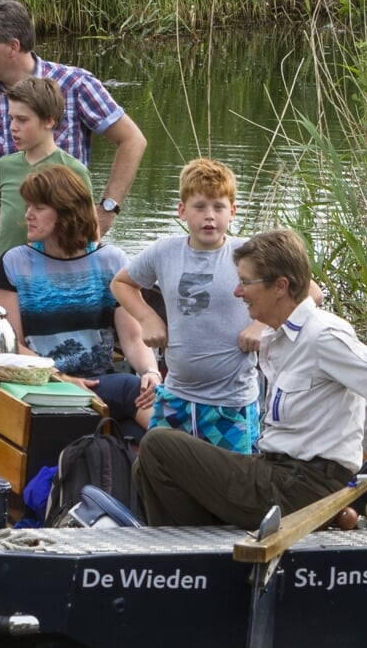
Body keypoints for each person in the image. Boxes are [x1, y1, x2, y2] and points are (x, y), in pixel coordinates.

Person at [131, 229, 367, 530]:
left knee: (159, 445)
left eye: (246, 283)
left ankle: (191, 558)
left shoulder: (323, 335)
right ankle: (196, 548)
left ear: (280, 286)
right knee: (144, 466)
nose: (238, 292)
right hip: (276, 474)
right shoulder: (277, 336)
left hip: (303, 488)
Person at [0, 0, 148, 264]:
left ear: (13, 47)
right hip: (1, 251)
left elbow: (132, 140)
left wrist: (107, 211)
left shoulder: (74, 84)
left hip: (68, 249)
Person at [110, 157, 265, 453]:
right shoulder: (164, 251)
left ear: (232, 212)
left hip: (231, 404)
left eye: (219, 207)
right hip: (177, 397)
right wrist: (148, 318)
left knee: (233, 485)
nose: (210, 216)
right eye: (199, 207)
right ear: (182, 211)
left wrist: (260, 326)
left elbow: (306, 291)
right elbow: (121, 283)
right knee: (158, 472)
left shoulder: (247, 254)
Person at [0, 165, 156, 429]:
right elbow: (12, 345)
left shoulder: (111, 261)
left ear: (67, 212)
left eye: (39, 208)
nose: (28, 216)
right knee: (129, 389)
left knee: (141, 407)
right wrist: (62, 379)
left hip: (100, 383)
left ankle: (177, 457)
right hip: (43, 385)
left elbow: (134, 337)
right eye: (28, 206)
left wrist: (151, 372)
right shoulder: (15, 263)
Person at [0, 76, 90, 305]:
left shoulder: (74, 172)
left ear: (49, 121)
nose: (13, 127)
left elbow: (87, 239)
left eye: (22, 120)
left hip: (46, 292)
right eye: (11, 118)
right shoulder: (2, 168)